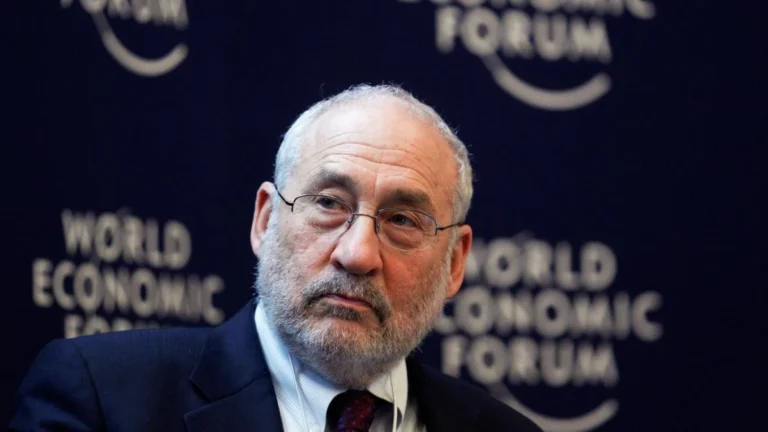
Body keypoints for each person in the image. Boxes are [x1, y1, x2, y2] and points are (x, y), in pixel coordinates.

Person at [10, 85, 542, 432]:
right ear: (265, 220)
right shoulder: (102, 398)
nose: (357, 254)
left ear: (454, 262)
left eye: (402, 220)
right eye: (329, 203)